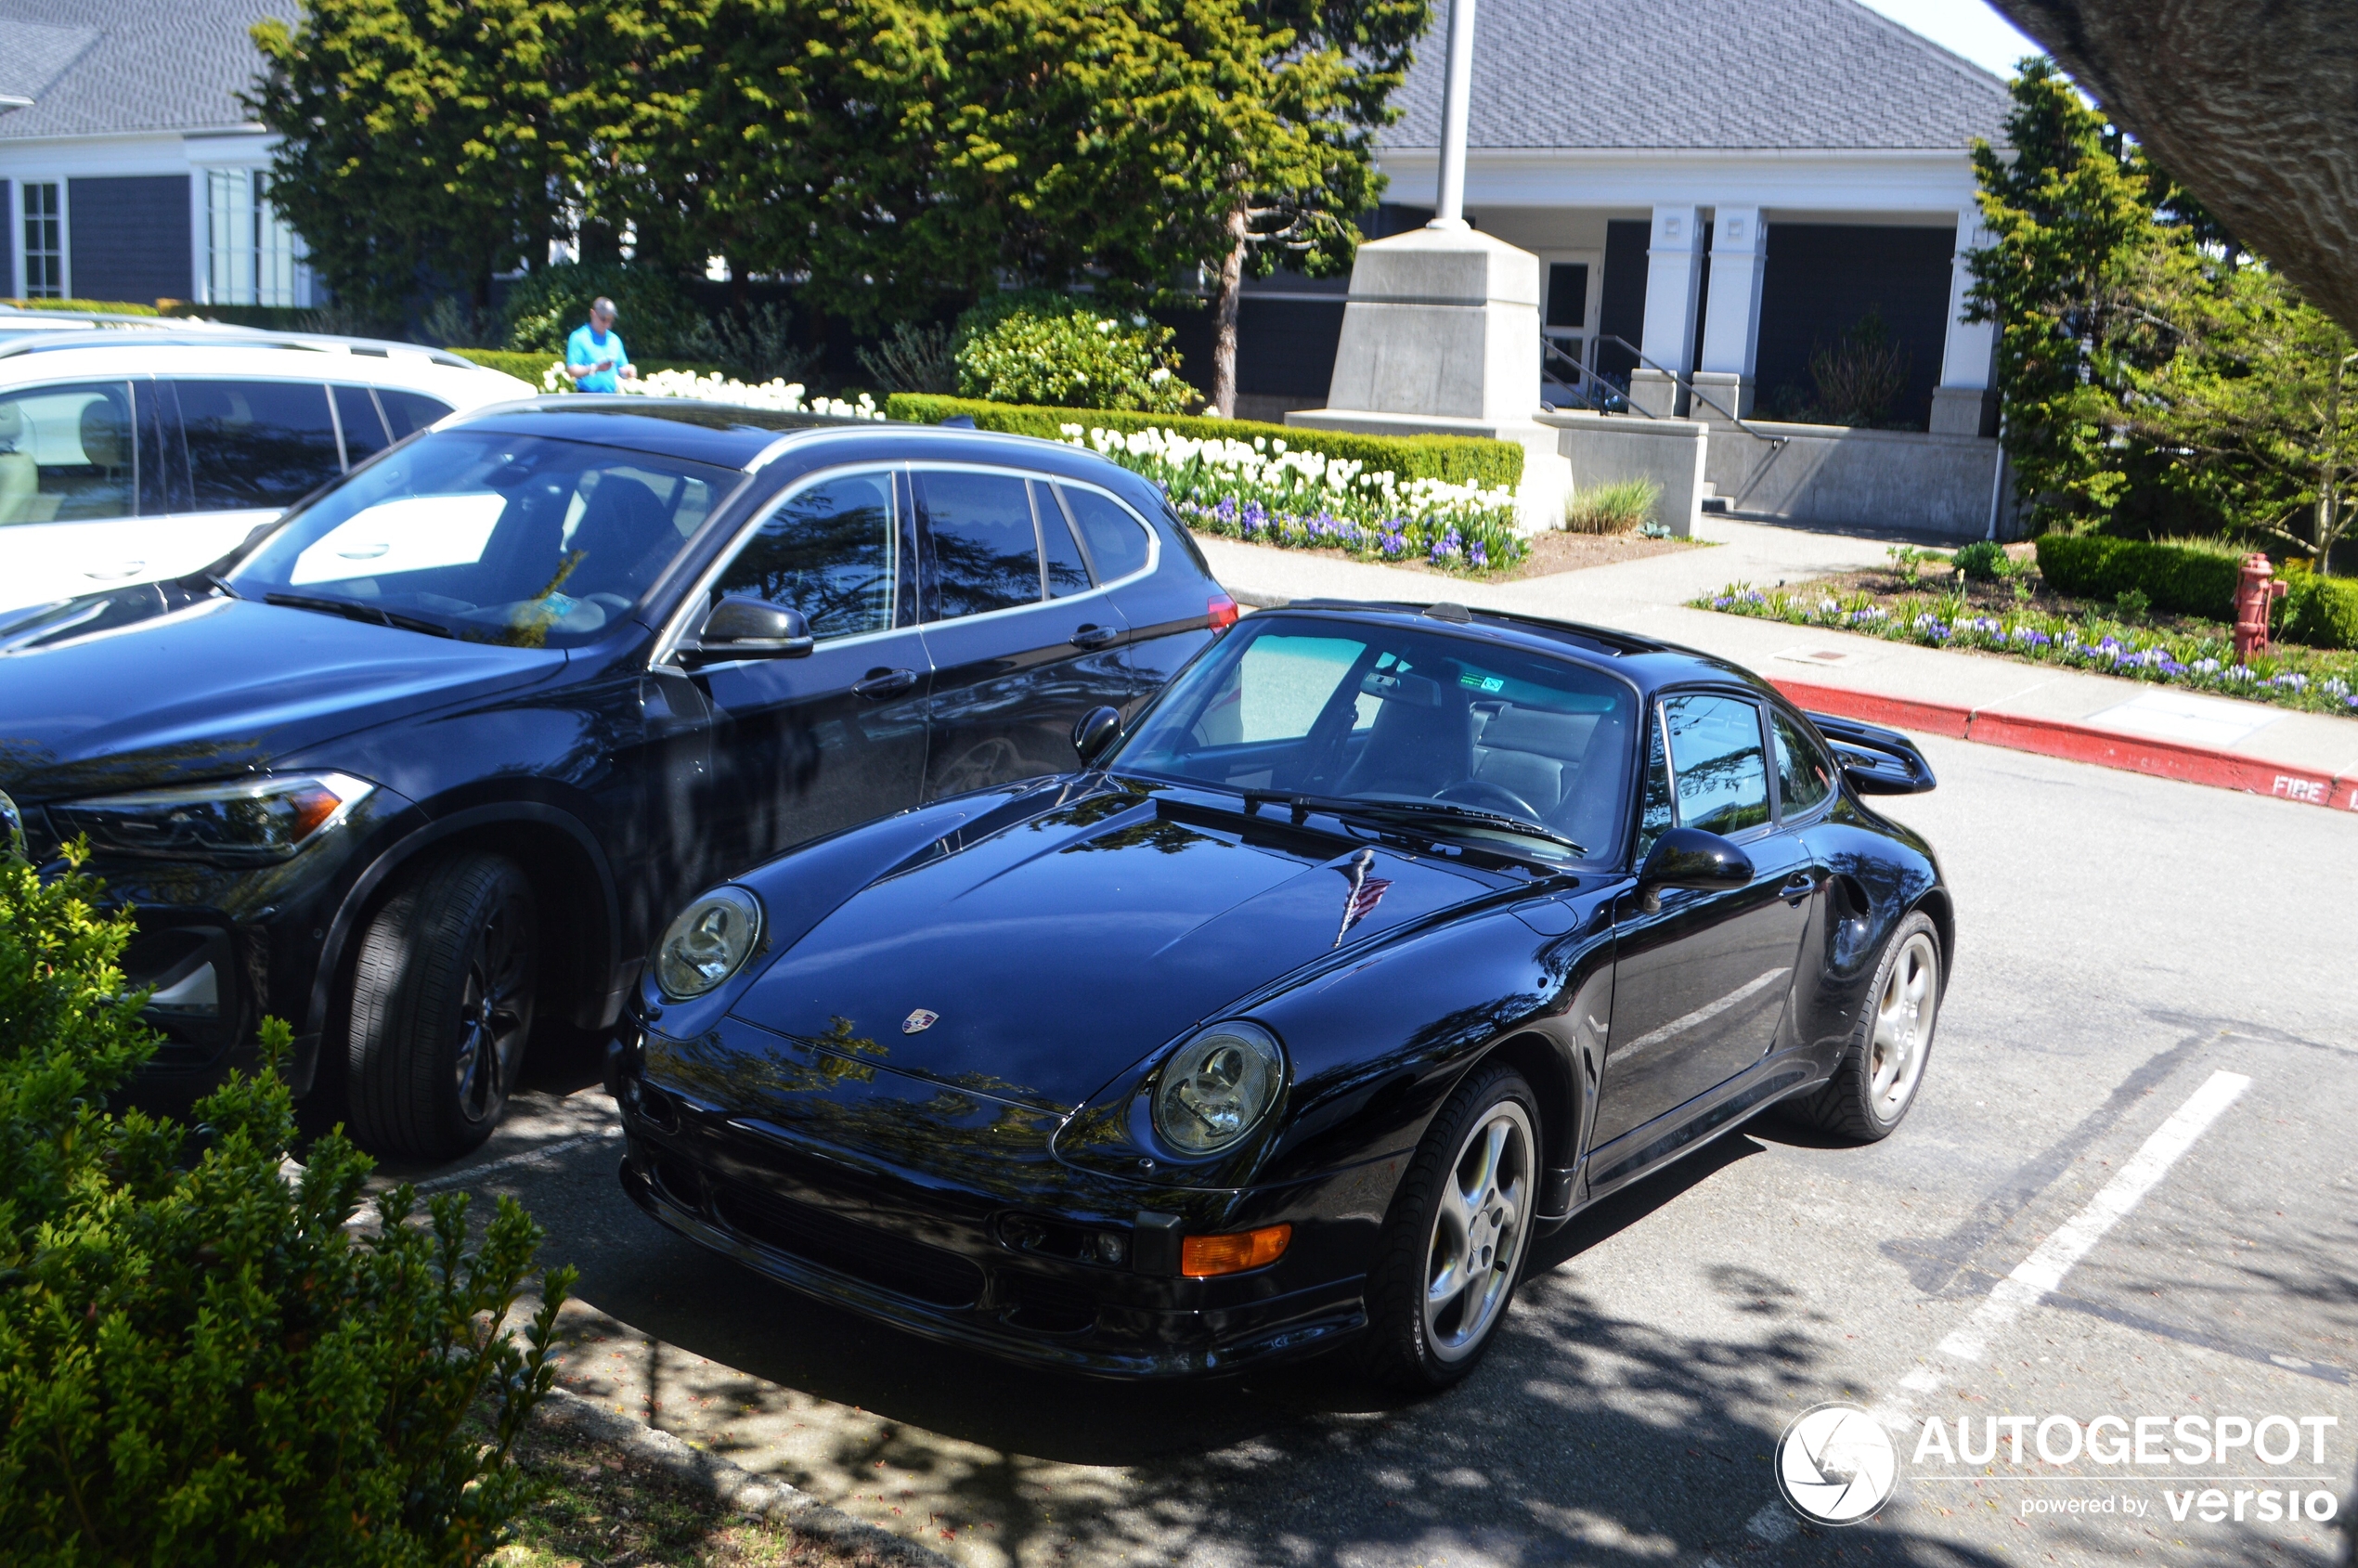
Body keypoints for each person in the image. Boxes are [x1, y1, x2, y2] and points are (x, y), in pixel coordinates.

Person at [564, 297, 637, 392]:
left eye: (611, 320)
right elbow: (572, 370)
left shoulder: (615, 340)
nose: (607, 324)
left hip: (612, 400)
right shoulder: (578, 337)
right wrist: (595, 368)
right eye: (603, 319)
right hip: (586, 399)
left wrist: (629, 372)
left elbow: (622, 370)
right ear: (592, 313)